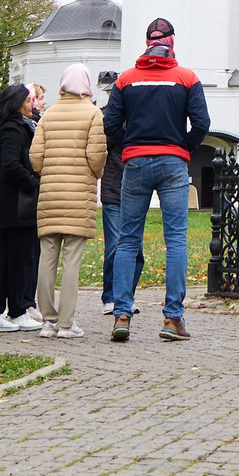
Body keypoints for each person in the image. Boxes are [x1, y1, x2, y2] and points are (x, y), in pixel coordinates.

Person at [102, 16, 210, 342]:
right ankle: (172, 319)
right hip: (173, 163)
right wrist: (183, 147)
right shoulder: (187, 78)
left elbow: (110, 126)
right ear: (171, 42)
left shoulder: (125, 80)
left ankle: (122, 314)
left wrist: (130, 145)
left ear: (146, 41)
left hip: (134, 163)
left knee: (127, 240)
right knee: (175, 240)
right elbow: (202, 123)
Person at [29, 62, 109, 337]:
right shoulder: (92, 114)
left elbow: (35, 158)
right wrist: (93, 175)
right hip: (78, 196)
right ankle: (66, 324)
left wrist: (49, 172)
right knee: (71, 262)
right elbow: (97, 156)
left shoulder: (48, 115)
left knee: (46, 259)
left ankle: (48, 321)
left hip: (50, 195)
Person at [0, 83, 42, 330]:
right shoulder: (13, 129)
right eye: (28, 100)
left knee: (7, 257)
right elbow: (10, 164)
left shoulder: (13, 126)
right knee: (18, 258)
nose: (32, 104)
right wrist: (34, 182)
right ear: (17, 103)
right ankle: (15, 311)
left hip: (12, 203)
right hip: (17, 204)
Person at [95, 69, 130, 314]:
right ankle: (111, 296)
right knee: (115, 245)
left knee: (131, 246)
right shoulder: (106, 118)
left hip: (134, 188)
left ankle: (125, 295)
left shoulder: (138, 116)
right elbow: (100, 150)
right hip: (114, 187)